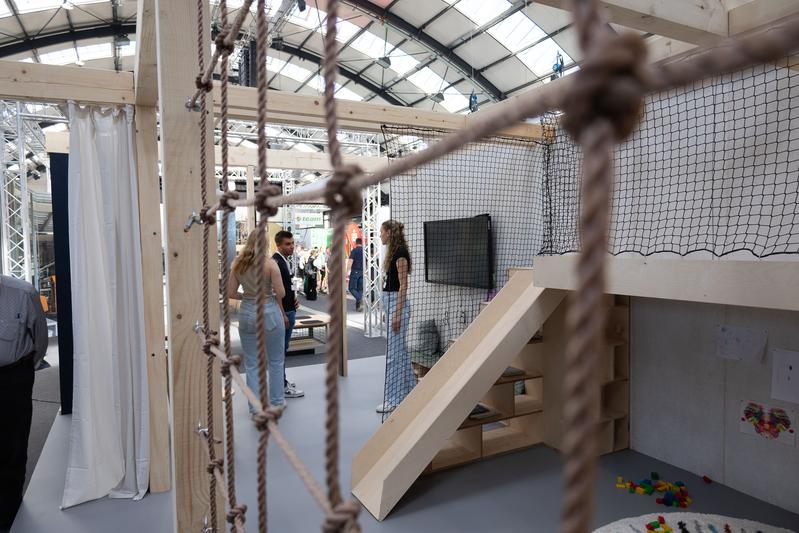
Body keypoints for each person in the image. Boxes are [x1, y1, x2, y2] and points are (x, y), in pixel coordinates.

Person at [0, 275, 47, 530]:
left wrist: (27, 368)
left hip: (13, 378)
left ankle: (9, 515)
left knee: (13, 445)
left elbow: (39, 340)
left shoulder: (23, 293)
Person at [228, 230, 287, 412]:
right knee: (276, 360)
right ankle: (277, 402)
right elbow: (282, 293)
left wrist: (246, 296)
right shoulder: (270, 264)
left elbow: (230, 293)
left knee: (252, 363)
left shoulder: (238, 264)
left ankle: (255, 408)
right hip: (269, 311)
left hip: (246, 311)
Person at [377, 220, 415, 414]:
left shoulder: (400, 254)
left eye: (382, 232)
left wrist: (397, 314)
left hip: (397, 306)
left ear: (390, 233)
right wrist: (388, 312)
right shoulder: (393, 253)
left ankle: (393, 399)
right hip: (391, 305)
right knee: (401, 353)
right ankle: (412, 392)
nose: (380, 235)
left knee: (393, 356)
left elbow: (403, 286)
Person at [272, 231, 305, 399]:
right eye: (287, 244)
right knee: (280, 351)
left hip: (288, 309)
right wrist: (283, 313)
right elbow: (275, 292)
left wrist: (293, 300)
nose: (291, 246)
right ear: (278, 245)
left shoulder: (283, 261)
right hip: (284, 313)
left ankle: (281, 382)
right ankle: (281, 386)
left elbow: (285, 287)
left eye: (292, 243)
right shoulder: (276, 262)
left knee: (281, 350)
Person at [347, 237, 364, 312]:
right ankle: (358, 307)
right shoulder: (364, 251)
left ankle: (360, 299)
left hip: (355, 271)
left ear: (356, 243)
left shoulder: (354, 250)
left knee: (351, 288)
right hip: (362, 271)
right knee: (360, 289)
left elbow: (350, 261)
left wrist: (347, 271)